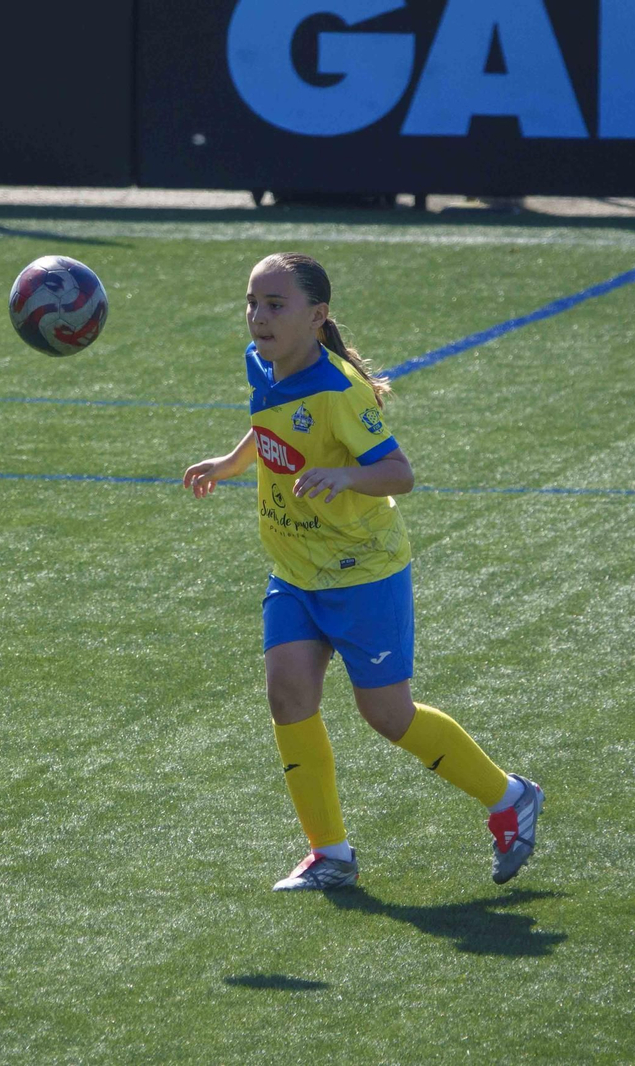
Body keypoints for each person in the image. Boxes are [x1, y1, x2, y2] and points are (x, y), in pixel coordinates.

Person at [182, 252, 542, 891]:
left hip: (362, 573)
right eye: (252, 303)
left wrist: (345, 475)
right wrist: (229, 463)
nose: (258, 317)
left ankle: (509, 796)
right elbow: (267, 422)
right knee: (287, 694)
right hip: (294, 570)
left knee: (387, 716)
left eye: (275, 305)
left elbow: (398, 472)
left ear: (317, 317)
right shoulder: (262, 364)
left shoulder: (339, 391)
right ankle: (331, 856)